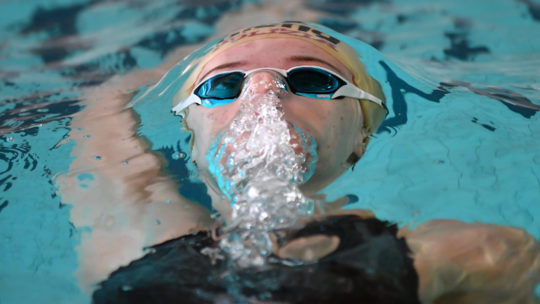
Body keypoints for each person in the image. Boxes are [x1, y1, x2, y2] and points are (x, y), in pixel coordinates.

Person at [66, 21, 540, 303]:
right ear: (190, 142)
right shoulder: (135, 228)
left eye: (311, 79)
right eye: (222, 85)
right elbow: (102, 112)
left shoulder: (470, 255)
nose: (263, 92)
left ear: (359, 140)